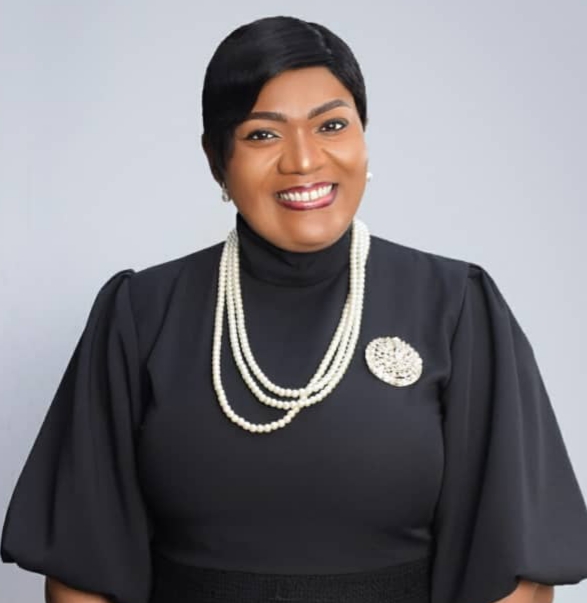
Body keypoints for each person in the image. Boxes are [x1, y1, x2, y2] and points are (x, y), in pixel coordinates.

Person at [2, 14, 587, 603]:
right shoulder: (140, 314)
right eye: (263, 135)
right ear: (216, 160)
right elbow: (83, 573)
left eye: (332, 125)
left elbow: (515, 573)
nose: (304, 161)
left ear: (363, 137)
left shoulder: (456, 306)